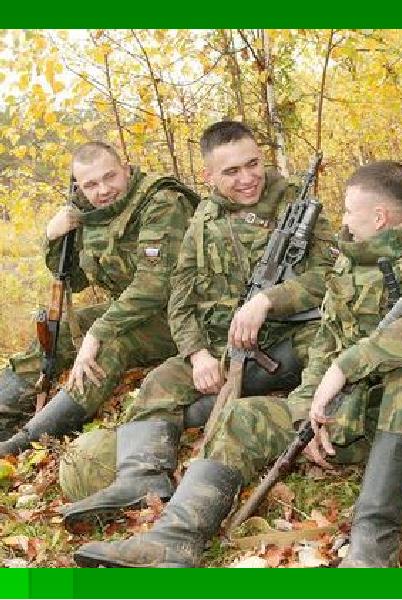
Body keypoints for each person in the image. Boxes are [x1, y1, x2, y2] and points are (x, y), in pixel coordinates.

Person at [72, 160, 402, 568]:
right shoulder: (350, 259)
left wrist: (347, 366)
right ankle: (174, 539)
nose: (342, 220)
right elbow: (326, 342)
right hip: (362, 416)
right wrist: (306, 411)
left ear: (379, 217)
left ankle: (373, 545)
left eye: (349, 211)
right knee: (240, 416)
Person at [57, 121, 335, 525]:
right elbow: (179, 298)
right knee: (159, 384)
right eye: (231, 171)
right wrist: (197, 353)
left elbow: (330, 274)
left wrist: (268, 300)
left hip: (292, 337)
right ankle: (142, 480)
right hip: (225, 345)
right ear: (208, 176)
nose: (247, 178)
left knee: (325, 361)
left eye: (253, 164)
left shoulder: (296, 205)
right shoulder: (202, 219)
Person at [0, 143, 198, 455]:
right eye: (91, 184)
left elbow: (155, 285)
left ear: (126, 168)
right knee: (57, 329)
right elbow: (75, 280)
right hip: (138, 311)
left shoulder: (163, 202)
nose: (103, 190)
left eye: (110, 177)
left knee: (111, 343)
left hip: (187, 315)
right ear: (79, 186)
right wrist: (53, 238)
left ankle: (27, 441)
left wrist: (97, 333)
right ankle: (4, 413)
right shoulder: (87, 212)